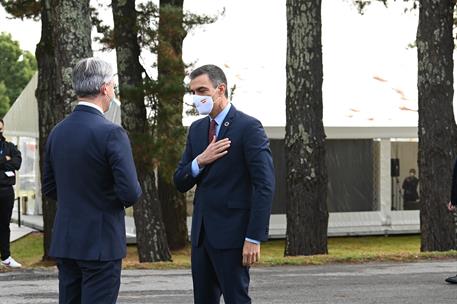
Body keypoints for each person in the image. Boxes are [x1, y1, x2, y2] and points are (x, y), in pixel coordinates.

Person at [42, 57, 142, 303]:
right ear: (105, 88)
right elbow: (130, 192)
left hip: (66, 239)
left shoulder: (58, 131)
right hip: (100, 241)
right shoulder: (111, 133)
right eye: (113, 87)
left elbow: (49, 187)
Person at [174, 64, 275, 303]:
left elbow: (264, 185)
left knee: (236, 299)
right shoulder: (197, 130)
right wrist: (200, 160)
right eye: (193, 92)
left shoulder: (248, 127)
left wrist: (254, 237)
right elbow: (179, 180)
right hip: (202, 236)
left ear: (220, 89)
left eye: (202, 91)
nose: (196, 98)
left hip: (233, 235)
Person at [0, 119, 22, 268]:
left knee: (4, 224)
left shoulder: (9, 146)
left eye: (0, 129)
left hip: (6, 191)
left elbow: (17, 163)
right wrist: (5, 160)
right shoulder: (7, 151)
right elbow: (9, 162)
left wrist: (7, 161)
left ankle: (6, 256)